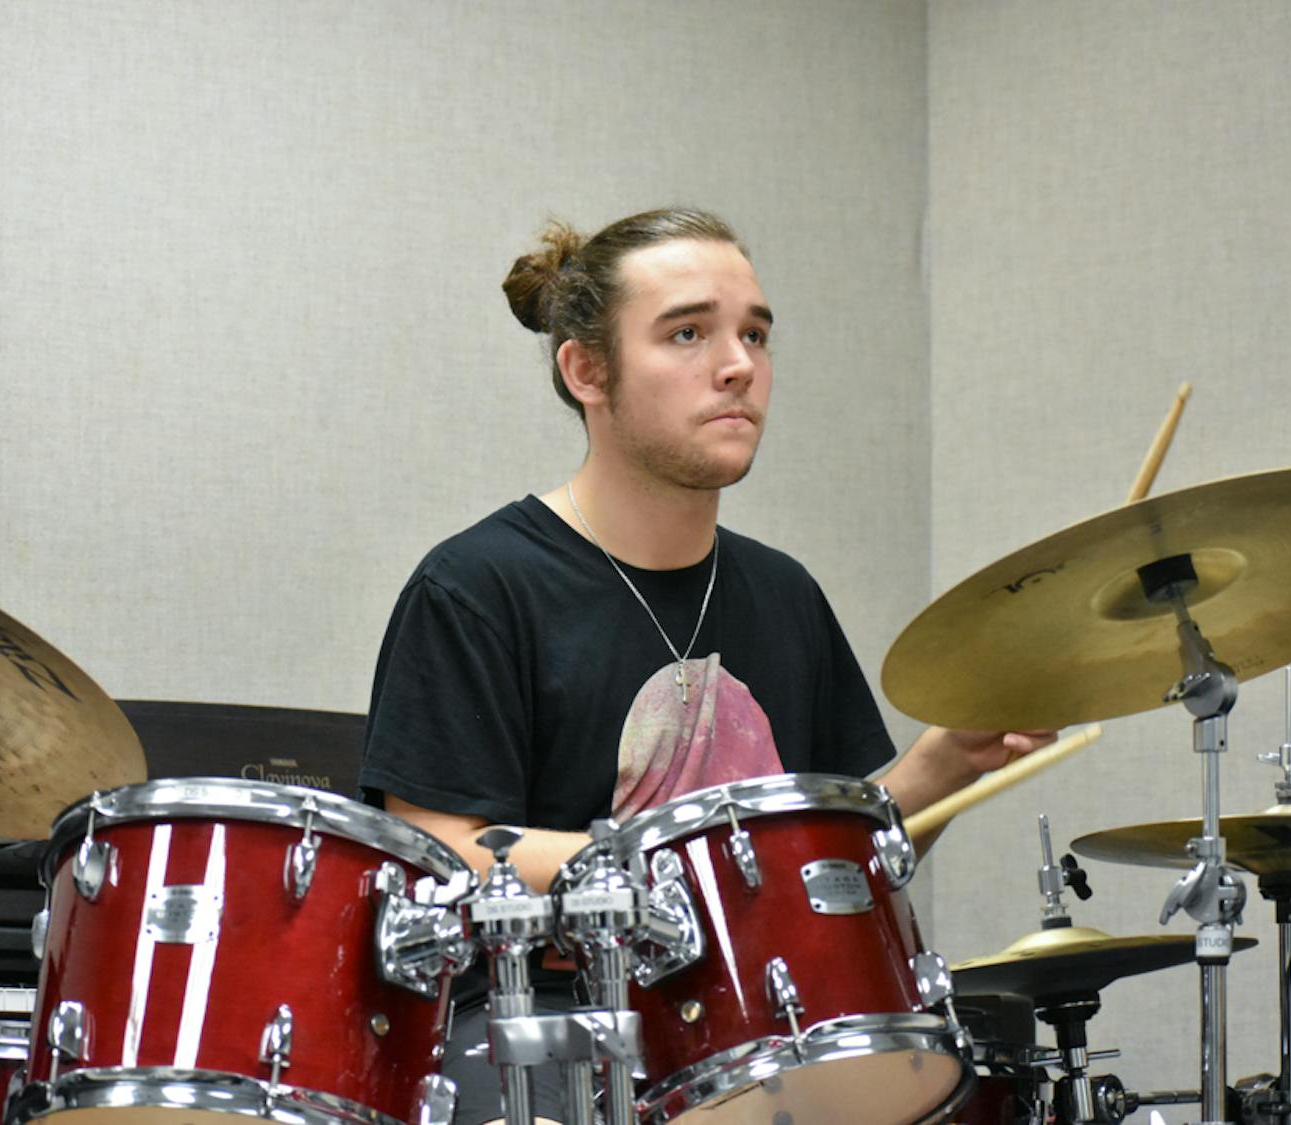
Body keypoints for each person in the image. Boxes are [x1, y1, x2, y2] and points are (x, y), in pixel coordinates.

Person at [359, 207, 1052, 1125]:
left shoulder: (784, 593)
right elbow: (438, 847)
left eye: (754, 334)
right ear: (587, 370)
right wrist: (692, 877)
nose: (739, 365)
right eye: (688, 332)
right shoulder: (478, 585)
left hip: (768, 1035)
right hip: (555, 1036)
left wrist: (945, 763)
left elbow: (837, 876)